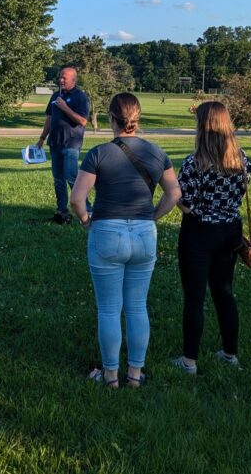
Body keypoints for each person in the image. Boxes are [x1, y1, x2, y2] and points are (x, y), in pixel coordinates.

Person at [70, 93, 180, 388]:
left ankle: (109, 375)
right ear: (138, 117)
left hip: (107, 230)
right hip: (144, 234)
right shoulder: (157, 153)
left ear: (111, 118)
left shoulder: (99, 153)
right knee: (137, 306)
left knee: (108, 309)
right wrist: (153, 216)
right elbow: (174, 194)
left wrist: (86, 221)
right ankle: (134, 374)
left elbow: (77, 199)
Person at [172, 101, 251, 374]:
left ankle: (189, 361)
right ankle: (230, 354)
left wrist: (178, 203)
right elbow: (241, 194)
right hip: (230, 232)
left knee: (194, 298)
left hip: (199, 233)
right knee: (224, 293)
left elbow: (186, 203)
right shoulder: (242, 160)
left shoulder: (194, 163)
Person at [38, 67, 90, 224]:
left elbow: (82, 121)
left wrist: (65, 108)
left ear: (73, 80)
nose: (61, 80)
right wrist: (42, 138)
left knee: (71, 176)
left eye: (64, 78)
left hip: (71, 144)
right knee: (58, 179)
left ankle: (87, 209)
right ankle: (62, 210)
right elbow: (49, 118)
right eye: (60, 77)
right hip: (55, 143)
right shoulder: (55, 95)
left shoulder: (80, 97)